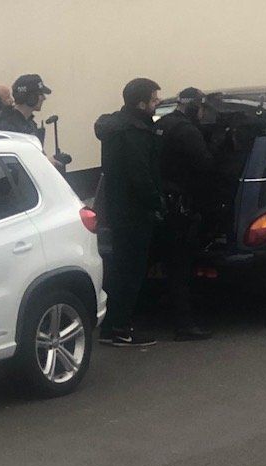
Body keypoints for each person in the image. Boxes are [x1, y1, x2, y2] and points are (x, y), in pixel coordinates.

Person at [94, 78, 164, 347]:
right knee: (131, 272)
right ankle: (121, 328)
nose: (157, 103)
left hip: (117, 208)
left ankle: (112, 326)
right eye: (154, 99)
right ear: (141, 103)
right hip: (135, 212)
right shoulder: (135, 132)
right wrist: (157, 203)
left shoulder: (115, 127)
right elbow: (140, 174)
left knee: (118, 270)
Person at [154, 87, 216, 341]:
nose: (203, 114)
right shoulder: (188, 132)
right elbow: (207, 166)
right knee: (180, 265)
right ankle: (184, 324)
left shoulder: (162, 124)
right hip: (179, 205)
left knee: (164, 262)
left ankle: (159, 313)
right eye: (201, 109)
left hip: (159, 202)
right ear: (194, 107)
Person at [0, 74, 64, 170]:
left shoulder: (28, 123)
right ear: (31, 97)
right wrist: (45, 163)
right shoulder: (7, 126)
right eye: (41, 94)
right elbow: (16, 163)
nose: (44, 98)